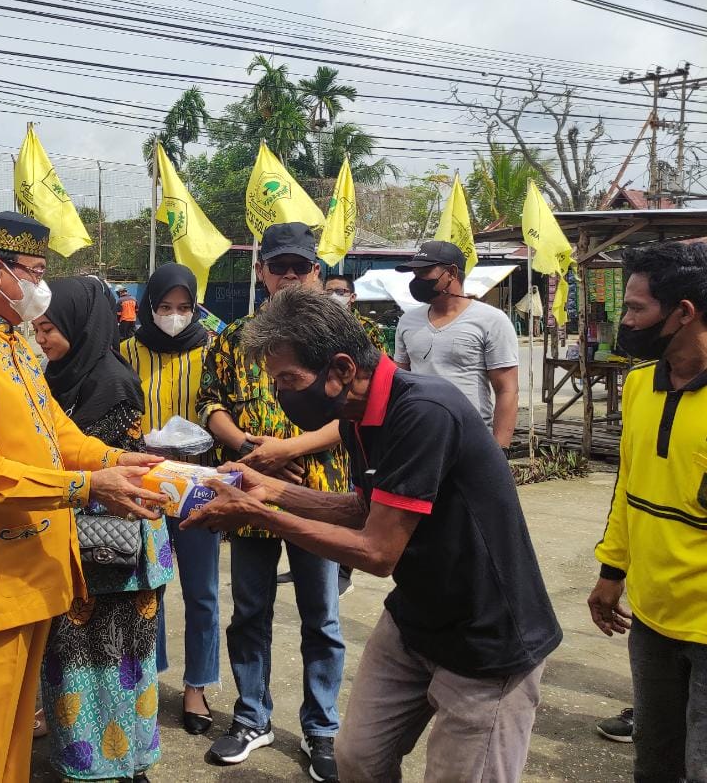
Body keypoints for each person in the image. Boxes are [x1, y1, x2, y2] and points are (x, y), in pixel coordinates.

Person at [186, 285, 562, 782]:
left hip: (485, 637)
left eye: (288, 380)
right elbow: (364, 509)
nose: (281, 396)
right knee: (357, 759)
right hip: (416, 618)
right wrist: (268, 488)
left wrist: (261, 515)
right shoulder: (359, 415)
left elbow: (378, 551)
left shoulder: (423, 412)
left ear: (341, 369)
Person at [0, 212, 166, 782]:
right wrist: (86, 486)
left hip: (27, 575)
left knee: (10, 751)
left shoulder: (14, 344)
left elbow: (55, 433)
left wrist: (115, 460)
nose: (41, 285)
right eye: (35, 271)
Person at [196, 222, 346, 779]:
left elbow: (365, 408)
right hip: (248, 497)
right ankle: (252, 717)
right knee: (250, 613)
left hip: (319, 497)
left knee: (322, 618)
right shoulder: (233, 337)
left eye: (299, 267)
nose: (288, 276)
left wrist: (292, 447)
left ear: (317, 272)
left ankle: (321, 731)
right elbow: (210, 402)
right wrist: (246, 449)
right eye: (277, 266)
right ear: (261, 272)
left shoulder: (345, 336)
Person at [33, 276, 173, 782]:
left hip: (117, 559)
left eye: (49, 328)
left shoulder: (110, 383)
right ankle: (96, 764)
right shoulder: (56, 377)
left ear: (79, 325)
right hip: (82, 554)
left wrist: (57, 487)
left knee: (114, 668)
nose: (41, 337)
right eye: (38, 328)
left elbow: (115, 481)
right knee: (82, 668)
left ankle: (118, 766)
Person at [587, 241, 707, 782]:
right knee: (654, 764)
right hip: (651, 619)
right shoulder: (639, 386)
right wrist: (611, 574)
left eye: (636, 309)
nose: (626, 321)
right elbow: (627, 492)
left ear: (684, 312)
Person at [120, 263, 221, 736]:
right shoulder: (125, 352)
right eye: (164, 307)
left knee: (202, 592)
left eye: (184, 308)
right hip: (147, 487)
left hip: (200, 488)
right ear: (149, 307)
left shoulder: (213, 350)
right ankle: (148, 677)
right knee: (149, 590)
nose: (174, 316)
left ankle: (197, 686)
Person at [393, 240, 519, 449]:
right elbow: (399, 382)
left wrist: (499, 450)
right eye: (415, 274)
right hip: (418, 437)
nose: (417, 280)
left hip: (470, 440)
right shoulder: (408, 321)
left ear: (451, 272)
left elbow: (507, 389)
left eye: (424, 272)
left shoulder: (491, 320)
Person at [320, 273, 386, 599]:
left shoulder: (368, 334)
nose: (335, 296)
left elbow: (379, 391)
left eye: (341, 292)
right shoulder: (315, 334)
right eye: (329, 292)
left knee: (359, 505)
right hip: (331, 444)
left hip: (357, 439)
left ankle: (343, 570)